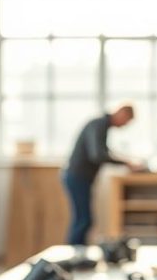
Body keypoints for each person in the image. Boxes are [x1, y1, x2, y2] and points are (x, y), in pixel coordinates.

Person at [62, 103, 144, 245]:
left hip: (81, 177)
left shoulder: (102, 126)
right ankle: (75, 254)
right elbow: (98, 155)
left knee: (83, 219)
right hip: (77, 177)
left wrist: (126, 160)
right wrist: (125, 163)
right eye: (126, 122)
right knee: (83, 219)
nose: (124, 126)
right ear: (121, 113)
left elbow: (104, 151)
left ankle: (77, 252)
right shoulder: (98, 124)